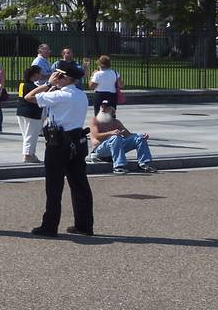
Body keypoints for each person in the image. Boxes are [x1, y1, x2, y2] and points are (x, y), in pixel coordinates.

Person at [27, 60, 94, 236]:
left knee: (54, 187)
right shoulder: (81, 95)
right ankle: (84, 224)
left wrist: (49, 83)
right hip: (77, 141)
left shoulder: (60, 95)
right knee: (80, 185)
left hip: (59, 144)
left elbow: (29, 97)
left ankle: (49, 226)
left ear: (63, 77)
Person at [88, 104, 156, 174]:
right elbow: (96, 136)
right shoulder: (95, 121)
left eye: (106, 107)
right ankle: (118, 166)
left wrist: (141, 135)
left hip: (113, 148)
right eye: (102, 106)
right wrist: (111, 133)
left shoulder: (116, 122)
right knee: (115, 137)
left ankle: (143, 164)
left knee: (139, 138)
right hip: (99, 151)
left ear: (113, 111)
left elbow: (128, 135)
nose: (103, 108)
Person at [14, 64, 45, 163]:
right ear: (34, 75)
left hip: (21, 112)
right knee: (31, 135)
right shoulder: (33, 87)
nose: (41, 75)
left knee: (26, 135)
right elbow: (38, 98)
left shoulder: (22, 84)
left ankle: (30, 153)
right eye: (39, 73)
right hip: (32, 114)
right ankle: (28, 155)